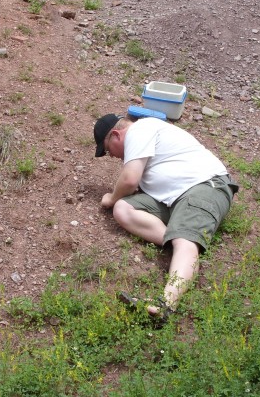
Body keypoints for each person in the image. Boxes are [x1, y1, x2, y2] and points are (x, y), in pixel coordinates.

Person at [93, 113, 238, 322]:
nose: (113, 157)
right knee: (123, 209)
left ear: (116, 135)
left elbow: (130, 179)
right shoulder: (144, 141)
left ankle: (166, 305)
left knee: (183, 241)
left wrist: (111, 197)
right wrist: (118, 202)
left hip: (203, 187)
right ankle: (179, 243)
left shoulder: (139, 130)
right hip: (172, 199)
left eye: (108, 150)